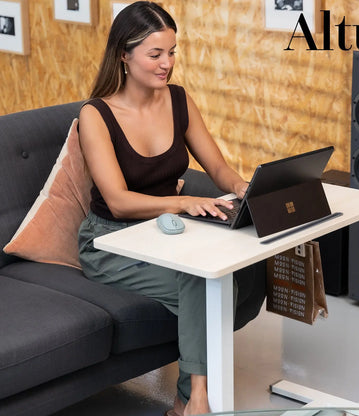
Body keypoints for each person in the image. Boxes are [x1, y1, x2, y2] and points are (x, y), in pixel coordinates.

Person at [77, 2, 248, 415]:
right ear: (124, 54)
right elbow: (117, 201)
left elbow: (220, 169)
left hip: (166, 232)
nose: (166, 63)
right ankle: (196, 402)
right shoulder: (96, 115)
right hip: (111, 243)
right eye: (155, 54)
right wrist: (186, 201)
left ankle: (186, 402)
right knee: (201, 284)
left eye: (172, 52)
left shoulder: (178, 100)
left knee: (223, 281)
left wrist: (249, 188)